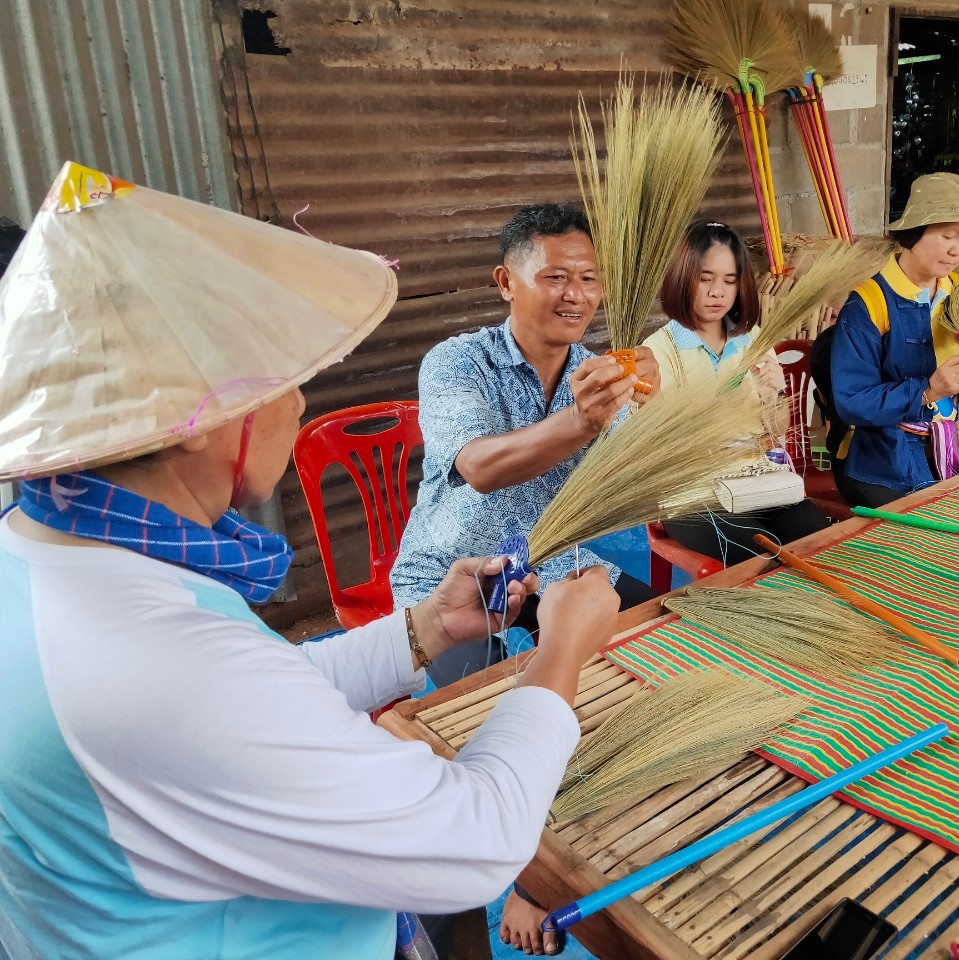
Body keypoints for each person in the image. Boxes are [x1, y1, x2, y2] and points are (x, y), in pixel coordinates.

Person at [0, 163, 621, 960]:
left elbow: (256, 703)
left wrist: (420, 630)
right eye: (287, 375)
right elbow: (476, 842)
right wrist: (563, 648)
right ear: (195, 411)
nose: (299, 402)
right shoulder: (156, 665)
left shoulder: (48, 548)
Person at [390, 203, 659, 618]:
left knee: (656, 631)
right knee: (484, 684)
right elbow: (479, 468)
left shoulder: (595, 377)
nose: (576, 295)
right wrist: (580, 421)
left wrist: (648, 410)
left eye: (589, 279)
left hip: (552, 561)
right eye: (555, 278)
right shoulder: (458, 361)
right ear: (506, 283)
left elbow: (627, 481)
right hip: (453, 573)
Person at [641, 219, 829, 566]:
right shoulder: (658, 351)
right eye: (705, 279)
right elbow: (653, 449)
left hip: (753, 478)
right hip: (691, 494)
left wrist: (773, 394)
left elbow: (776, 434)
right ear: (683, 277)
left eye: (729, 281)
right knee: (765, 556)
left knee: (817, 542)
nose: (718, 292)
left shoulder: (752, 339)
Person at [828, 173, 959, 506]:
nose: (957, 250)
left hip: (953, 447)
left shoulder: (958, 292)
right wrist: (927, 390)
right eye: (947, 235)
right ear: (915, 232)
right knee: (942, 527)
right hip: (882, 461)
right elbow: (851, 401)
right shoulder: (868, 303)